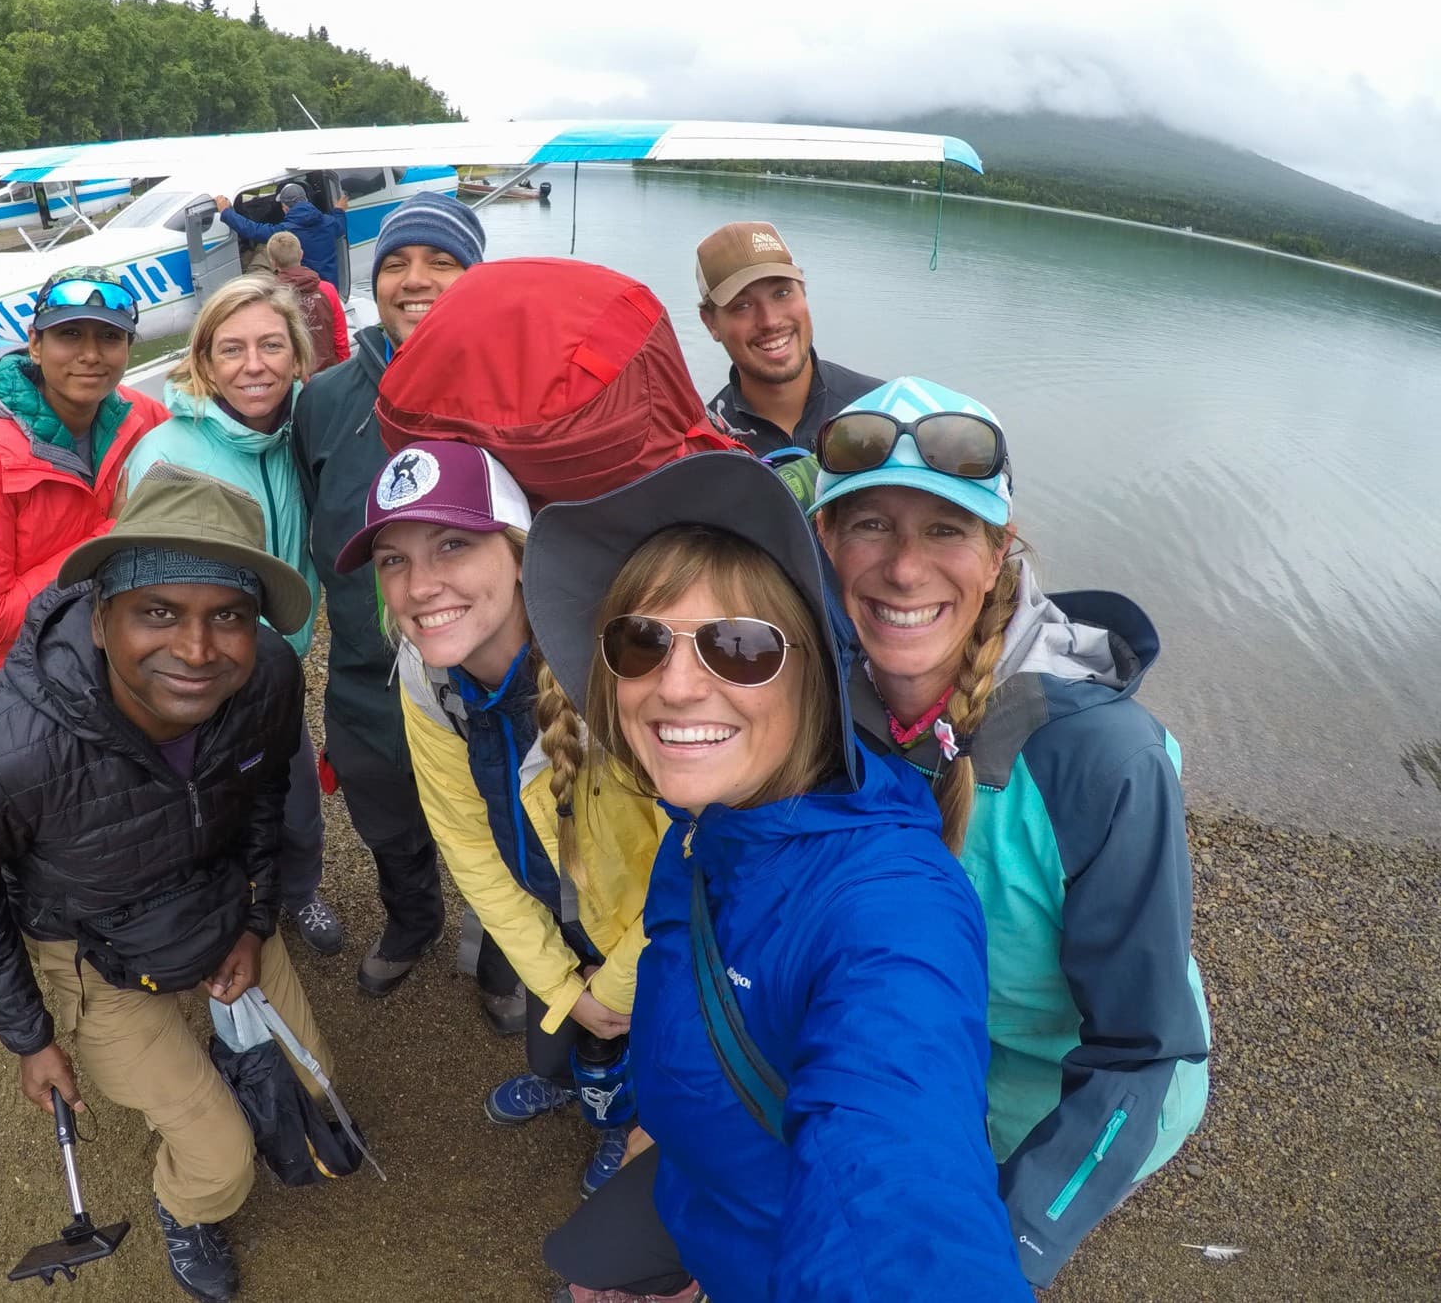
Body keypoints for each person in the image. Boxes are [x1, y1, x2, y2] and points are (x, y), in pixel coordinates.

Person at [526, 451, 1030, 1303]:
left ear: (814, 677)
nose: (677, 687)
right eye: (641, 641)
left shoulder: (890, 909)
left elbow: (896, 1203)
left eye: (740, 648)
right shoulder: (701, 836)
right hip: (706, 1214)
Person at [810, 376, 1210, 1288]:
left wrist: (1013, 1243)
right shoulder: (824, 705)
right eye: (870, 524)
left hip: (1057, 1101)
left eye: (946, 529)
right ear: (827, 543)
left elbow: (1144, 1051)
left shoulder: (1104, 763)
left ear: (998, 555)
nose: (905, 569)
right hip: (930, 1063)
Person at [0, 466, 331, 1303]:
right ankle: (186, 1211)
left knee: (314, 1090)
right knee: (221, 1163)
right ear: (101, 618)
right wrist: (31, 1038)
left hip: (218, 907)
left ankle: (225, 1044)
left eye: (229, 616)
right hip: (90, 943)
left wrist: (254, 924)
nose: (196, 649)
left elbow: (261, 802)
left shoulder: (272, 679)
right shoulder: (5, 745)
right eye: (158, 612)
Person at [334, 440, 666, 1196]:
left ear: (520, 553)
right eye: (393, 560)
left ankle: (621, 1119)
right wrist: (559, 979)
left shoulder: (615, 679)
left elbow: (696, 855)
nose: (420, 587)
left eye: (453, 544)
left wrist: (612, 986)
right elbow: (465, 838)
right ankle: (570, 1083)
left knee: (637, 1038)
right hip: (541, 912)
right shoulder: (427, 674)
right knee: (556, 1035)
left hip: (650, 935)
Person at [291, 193, 496, 1006]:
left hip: (488, 673)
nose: (416, 281)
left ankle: (503, 960)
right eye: (396, 265)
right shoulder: (327, 399)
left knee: (500, 824)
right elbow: (312, 507)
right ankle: (411, 922)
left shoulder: (508, 388)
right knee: (386, 818)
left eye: (442, 263)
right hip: (367, 676)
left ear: (476, 279)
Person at [120, 275, 344, 956]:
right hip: (198, 677)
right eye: (233, 348)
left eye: (272, 345)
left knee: (298, 809)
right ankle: (214, 922)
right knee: (206, 814)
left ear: (298, 356)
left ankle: (298, 894)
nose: (255, 365)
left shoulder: (308, 432)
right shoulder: (169, 455)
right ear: (204, 361)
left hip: (278, 674)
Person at [0, 266, 168, 699]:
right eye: (70, 334)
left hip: (105, 671)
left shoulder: (140, 416)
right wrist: (111, 535)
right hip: (10, 688)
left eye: (110, 337)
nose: (91, 354)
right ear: (35, 344)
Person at [695, 221, 881, 459]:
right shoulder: (706, 450)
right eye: (742, 306)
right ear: (710, 322)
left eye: (782, 293)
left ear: (803, 290)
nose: (770, 321)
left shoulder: (881, 410)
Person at [215, 180, 349, 293]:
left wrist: (226, 212)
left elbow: (251, 230)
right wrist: (338, 210)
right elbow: (340, 226)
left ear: (284, 208)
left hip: (303, 292)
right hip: (329, 289)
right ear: (306, 200)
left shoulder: (284, 231)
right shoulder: (329, 223)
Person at [264, 229, 349, 371]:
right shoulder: (327, 289)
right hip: (328, 372)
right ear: (301, 254)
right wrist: (342, 367)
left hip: (293, 375)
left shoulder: (271, 296)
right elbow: (340, 335)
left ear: (272, 262)